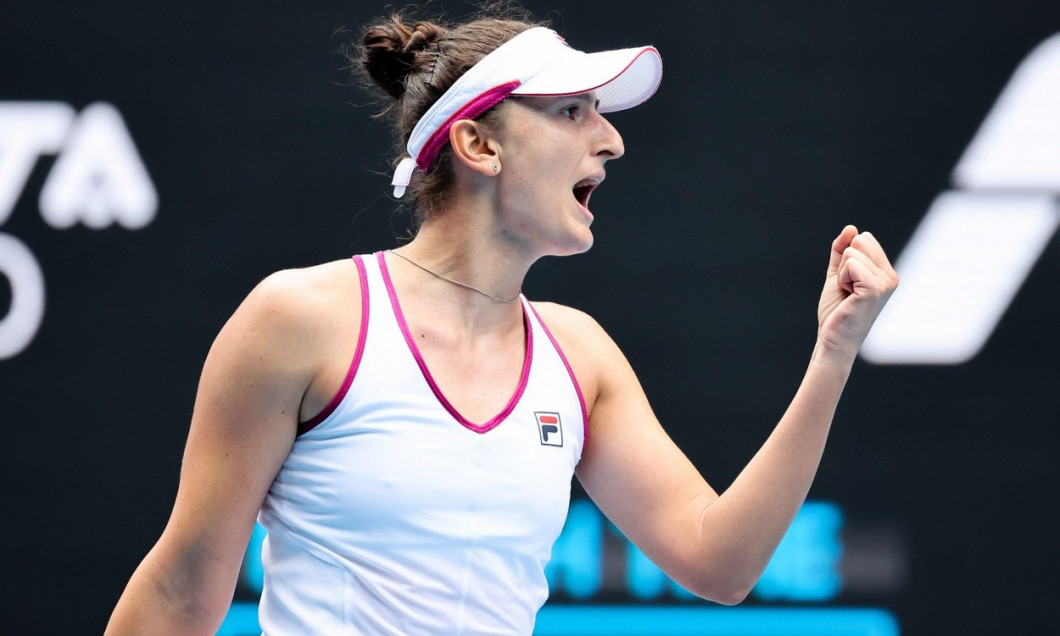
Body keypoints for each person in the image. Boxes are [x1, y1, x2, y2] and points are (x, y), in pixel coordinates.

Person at [105, 6, 898, 635]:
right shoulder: (300, 319)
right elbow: (180, 593)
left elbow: (720, 564)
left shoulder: (579, 355)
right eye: (572, 112)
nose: (612, 140)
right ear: (478, 143)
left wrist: (831, 355)